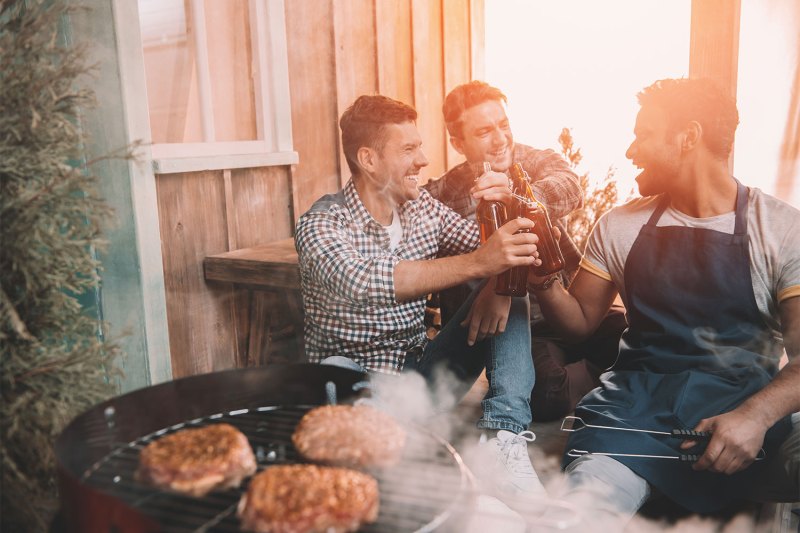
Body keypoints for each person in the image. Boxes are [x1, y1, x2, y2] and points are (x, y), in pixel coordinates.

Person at [529, 77, 800, 522]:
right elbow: (577, 323)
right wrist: (543, 281)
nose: (632, 151)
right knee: (578, 516)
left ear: (688, 136)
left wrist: (755, 416)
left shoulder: (781, 230)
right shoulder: (620, 225)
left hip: (748, 418)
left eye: (643, 135)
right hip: (635, 417)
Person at [294, 94, 548, 499]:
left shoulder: (422, 209)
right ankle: (388, 454)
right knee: (335, 370)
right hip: (357, 388)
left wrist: (508, 208)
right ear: (369, 160)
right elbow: (364, 281)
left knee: (512, 292)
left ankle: (503, 436)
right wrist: (483, 265)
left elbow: (509, 250)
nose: (424, 160)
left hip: (422, 377)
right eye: (410, 149)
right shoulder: (322, 224)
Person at [424, 80, 627, 421]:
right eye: (485, 131)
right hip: (521, 329)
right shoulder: (442, 195)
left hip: (571, 306)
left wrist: (520, 198)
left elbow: (569, 187)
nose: (500, 139)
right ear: (458, 143)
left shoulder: (533, 162)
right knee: (546, 394)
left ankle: (589, 372)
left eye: (504, 125)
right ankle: (591, 382)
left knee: (635, 345)